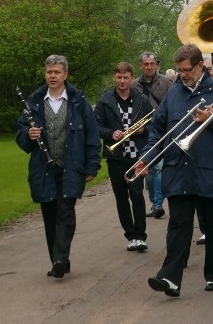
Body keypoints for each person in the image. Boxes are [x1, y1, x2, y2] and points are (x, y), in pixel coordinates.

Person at [133, 43, 213, 296]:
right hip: (179, 170)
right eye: (179, 70)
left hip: (211, 170)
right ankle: (170, 277)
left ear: (199, 66)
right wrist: (146, 158)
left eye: (186, 69)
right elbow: (158, 132)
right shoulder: (173, 95)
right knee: (178, 225)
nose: (182, 74)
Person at [16, 55, 100, 278]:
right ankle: (57, 260)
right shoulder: (34, 101)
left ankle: (60, 258)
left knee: (65, 212)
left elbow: (92, 136)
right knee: (50, 215)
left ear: (65, 75)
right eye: (49, 72)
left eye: (57, 72)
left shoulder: (78, 101)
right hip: (43, 168)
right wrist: (28, 134)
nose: (52, 76)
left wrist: (92, 166)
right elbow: (20, 137)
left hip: (70, 166)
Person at [94, 62, 153, 252]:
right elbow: (96, 126)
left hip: (136, 154)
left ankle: (140, 235)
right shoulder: (105, 101)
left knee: (137, 194)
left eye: (125, 77)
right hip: (116, 156)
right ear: (114, 77)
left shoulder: (142, 99)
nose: (122, 81)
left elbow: (154, 123)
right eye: (118, 77)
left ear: (131, 78)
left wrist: (143, 129)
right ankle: (130, 235)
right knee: (121, 197)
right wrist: (111, 133)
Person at [137, 51, 173, 218]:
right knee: (149, 171)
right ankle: (154, 201)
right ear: (141, 66)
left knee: (157, 168)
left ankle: (158, 203)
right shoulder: (134, 85)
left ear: (157, 65)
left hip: (162, 130)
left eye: (152, 64)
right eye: (146, 64)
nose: (149, 67)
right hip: (143, 132)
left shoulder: (167, 82)